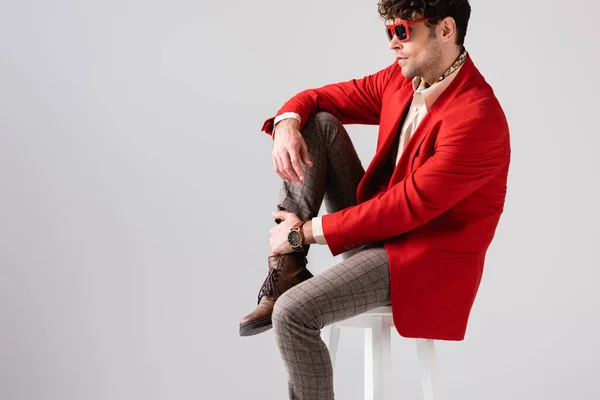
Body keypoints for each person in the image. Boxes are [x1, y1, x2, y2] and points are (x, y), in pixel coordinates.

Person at [239, 0, 510, 398]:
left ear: (446, 29)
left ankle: (288, 265)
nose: (392, 44)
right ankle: (286, 269)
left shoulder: (477, 118)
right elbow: (319, 97)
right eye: (389, 32)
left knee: (293, 314)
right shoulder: (402, 80)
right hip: (379, 233)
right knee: (320, 123)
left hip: (420, 259)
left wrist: (302, 234)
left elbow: (405, 207)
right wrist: (287, 123)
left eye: (403, 32)